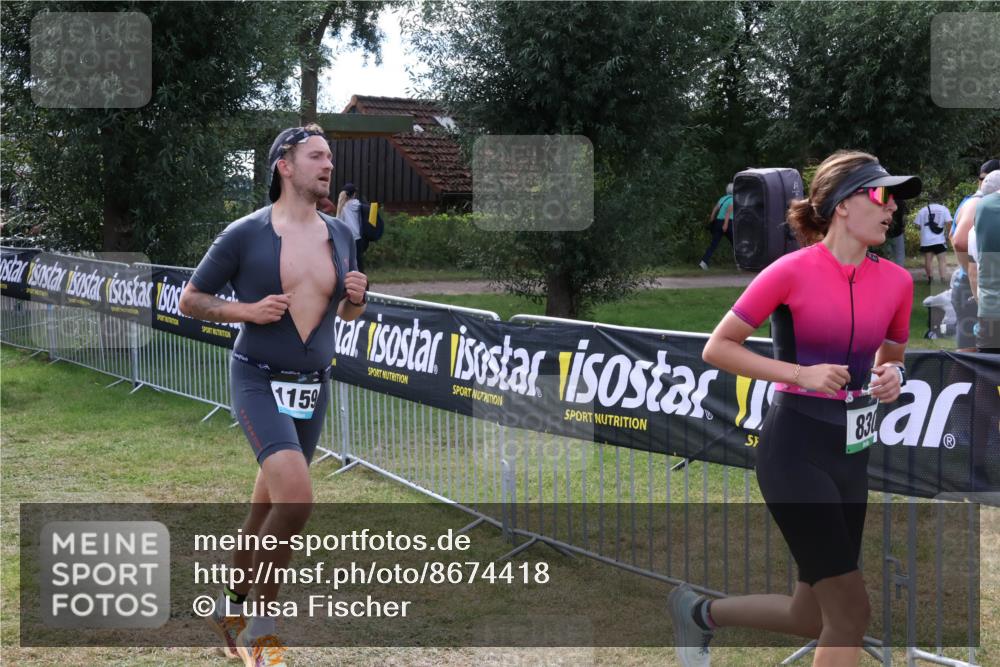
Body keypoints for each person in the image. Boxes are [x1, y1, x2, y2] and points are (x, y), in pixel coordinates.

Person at [669, 150, 919, 667]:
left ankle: (699, 613)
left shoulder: (898, 281)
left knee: (813, 616)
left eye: (894, 197)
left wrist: (892, 376)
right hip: (794, 451)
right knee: (851, 614)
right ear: (841, 205)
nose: (891, 206)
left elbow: (890, 358)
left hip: (852, 454)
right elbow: (719, 346)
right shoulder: (790, 271)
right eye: (880, 194)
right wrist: (799, 374)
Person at [179, 124, 368, 667]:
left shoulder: (341, 234)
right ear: (285, 166)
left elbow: (346, 312)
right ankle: (260, 631)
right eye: (315, 156)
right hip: (257, 377)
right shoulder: (245, 232)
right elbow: (192, 298)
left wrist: (357, 299)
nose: (327, 165)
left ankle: (232, 606)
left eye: (329, 157)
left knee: (267, 509)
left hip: (312, 385)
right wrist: (247, 311)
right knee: (297, 500)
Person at [952, 159, 999, 350]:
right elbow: (957, 240)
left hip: (990, 308)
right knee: (967, 353)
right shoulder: (975, 207)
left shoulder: (977, 224)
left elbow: (973, 272)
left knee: (982, 366)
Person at [912, 200, 952, 284]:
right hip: (939, 240)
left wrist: (924, 230)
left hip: (926, 240)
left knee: (928, 260)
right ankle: (943, 279)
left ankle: (930, 279)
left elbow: (917, 225)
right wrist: (949, 234)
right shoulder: (944, 209)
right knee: (942, 260)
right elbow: (949, 222)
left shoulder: (922, 210)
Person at [699, 183, 734, 270]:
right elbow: (728, 212)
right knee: (736, 244)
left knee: (713, 244)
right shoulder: (733, 200)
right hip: (728, 223)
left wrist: (711, 220)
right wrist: (725, 225)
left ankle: (703, 262)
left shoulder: (722, 198)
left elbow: (715, 209)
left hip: (718, 222)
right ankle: (741, 263)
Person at [886, 198, 907, 265]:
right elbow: (903, 216)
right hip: (898, 232)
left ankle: (889, 272)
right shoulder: (900, 201)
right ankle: (899, 272)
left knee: (888, 255)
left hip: (886, 232)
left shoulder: (885, 198)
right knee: (899, 254)